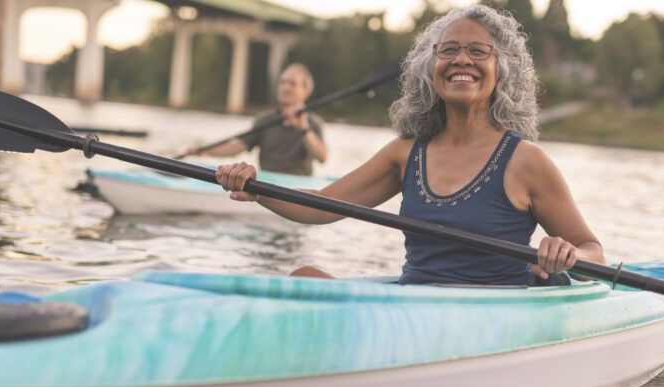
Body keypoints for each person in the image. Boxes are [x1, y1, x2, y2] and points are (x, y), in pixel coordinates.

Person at [216, 5, 606, 285]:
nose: (461, 59)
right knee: (303, 278)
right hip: (415, 308)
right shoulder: (406, 152)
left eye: (478, 50)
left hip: (492, 313)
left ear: (501, 69)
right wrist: (255, 186)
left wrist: (568, 255)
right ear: (429, 67)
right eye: (448, 49)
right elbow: (319, 205)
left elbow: (592, 250)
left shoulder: (526, 160)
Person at [195, 63, 327, 176]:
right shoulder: (265, 118)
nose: (285, 87)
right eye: (282, 82)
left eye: (292, 84)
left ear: (305, 91)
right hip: (268, 181)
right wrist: (204, 150)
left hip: (299, 185)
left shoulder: (313, 122)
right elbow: (237, 146)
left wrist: (303, 128)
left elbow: (322, 158)